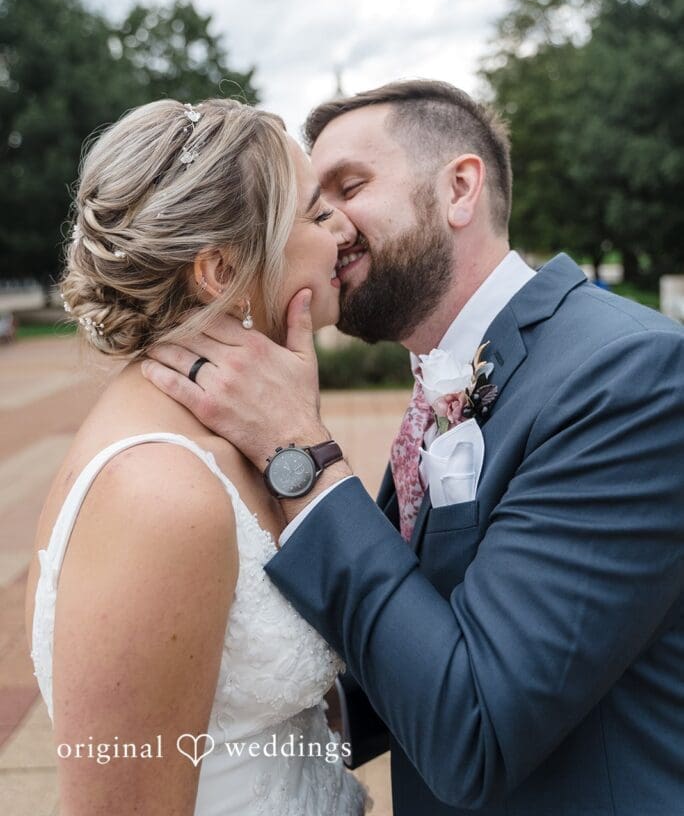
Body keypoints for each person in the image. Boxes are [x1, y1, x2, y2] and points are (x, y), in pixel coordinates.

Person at [144, 80, 684, 816]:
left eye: (348, 186)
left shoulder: (630, 377)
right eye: (311, 203)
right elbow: (416, 643)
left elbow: (475, 729)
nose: (325, 223)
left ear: (460, 188)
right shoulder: (444, 374)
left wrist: (299, 452)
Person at [25, 98, 370, 816]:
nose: (342, 229)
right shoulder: (159, 495)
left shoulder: (244, 434)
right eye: (313, 214)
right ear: (222, 270)